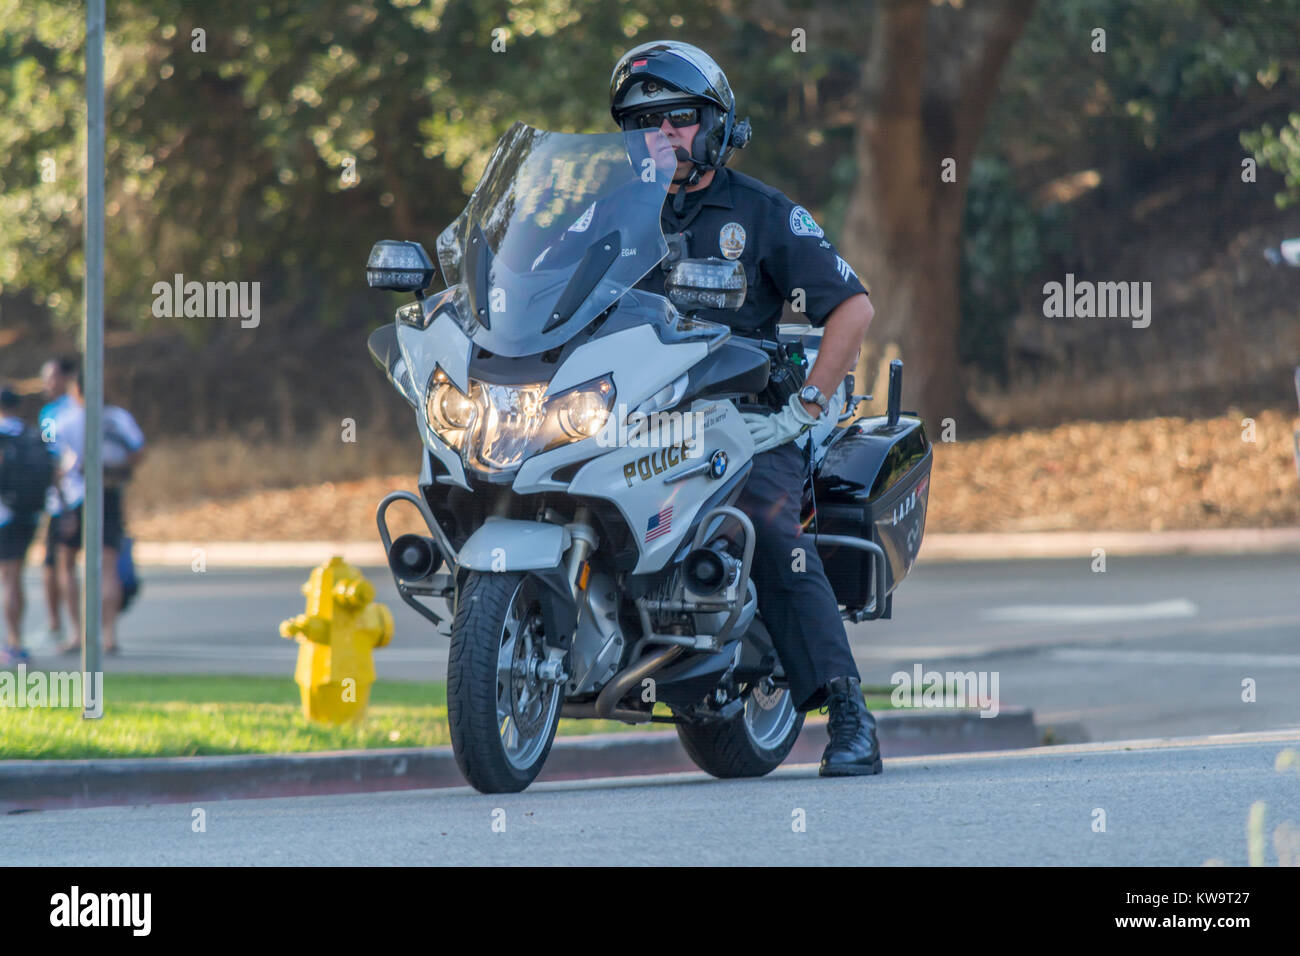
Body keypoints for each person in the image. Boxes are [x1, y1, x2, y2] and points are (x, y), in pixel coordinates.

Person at [610, 41, 882, 776]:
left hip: (745, 417)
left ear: (717, 126)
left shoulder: (761, 213)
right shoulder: (606, 218)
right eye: (644, 124)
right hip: (630, 419)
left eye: (679, 119)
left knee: (765, 525)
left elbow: (852, 309)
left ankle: (849, 714)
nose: (663, 135)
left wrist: (803, 410)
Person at [49, 371, 146, 655]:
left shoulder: (66, 420)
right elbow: (138, 451)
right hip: (109, 495)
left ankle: (77, 633)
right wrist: (117, 471)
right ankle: (108, 636)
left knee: (67, 563)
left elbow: (53, 458)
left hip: (74, 498)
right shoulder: (118, 417)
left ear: (77, 391)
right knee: (108, 564)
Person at [0, 386, 52, 666]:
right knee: (16, 576)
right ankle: (16, 640)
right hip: (29, 513)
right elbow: (54, 466)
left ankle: (14, 641)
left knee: (8, 578)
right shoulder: (31, 433)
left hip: (4, 514)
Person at [38, 356, 76, 648]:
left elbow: (50, 454)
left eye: (52, 377)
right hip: (63, 496)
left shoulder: (55, 414)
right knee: (52, 563)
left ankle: (65, 625)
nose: (48, 384)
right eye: (45, 378)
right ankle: (56, 622)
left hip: (64, 497)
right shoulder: (55, 411)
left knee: (60, 564)